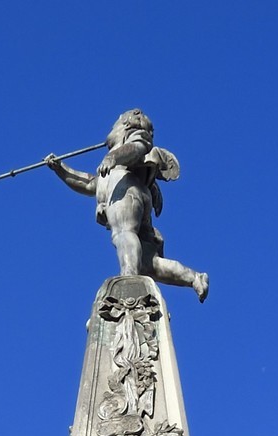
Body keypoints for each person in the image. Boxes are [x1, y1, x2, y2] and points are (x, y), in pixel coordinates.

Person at [48, 111, 209, 301]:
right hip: (131, 194)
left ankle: (129, 279)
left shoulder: (130, 142)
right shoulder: (110, 167)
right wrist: (60, 168)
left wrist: (113, 157)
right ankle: (194, 278)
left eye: (114, 126)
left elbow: (137, 148)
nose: (110, 130)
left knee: (123, 233)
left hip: (126, 192)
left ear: (126, 125)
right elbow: (89, 184)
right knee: (150, 264)